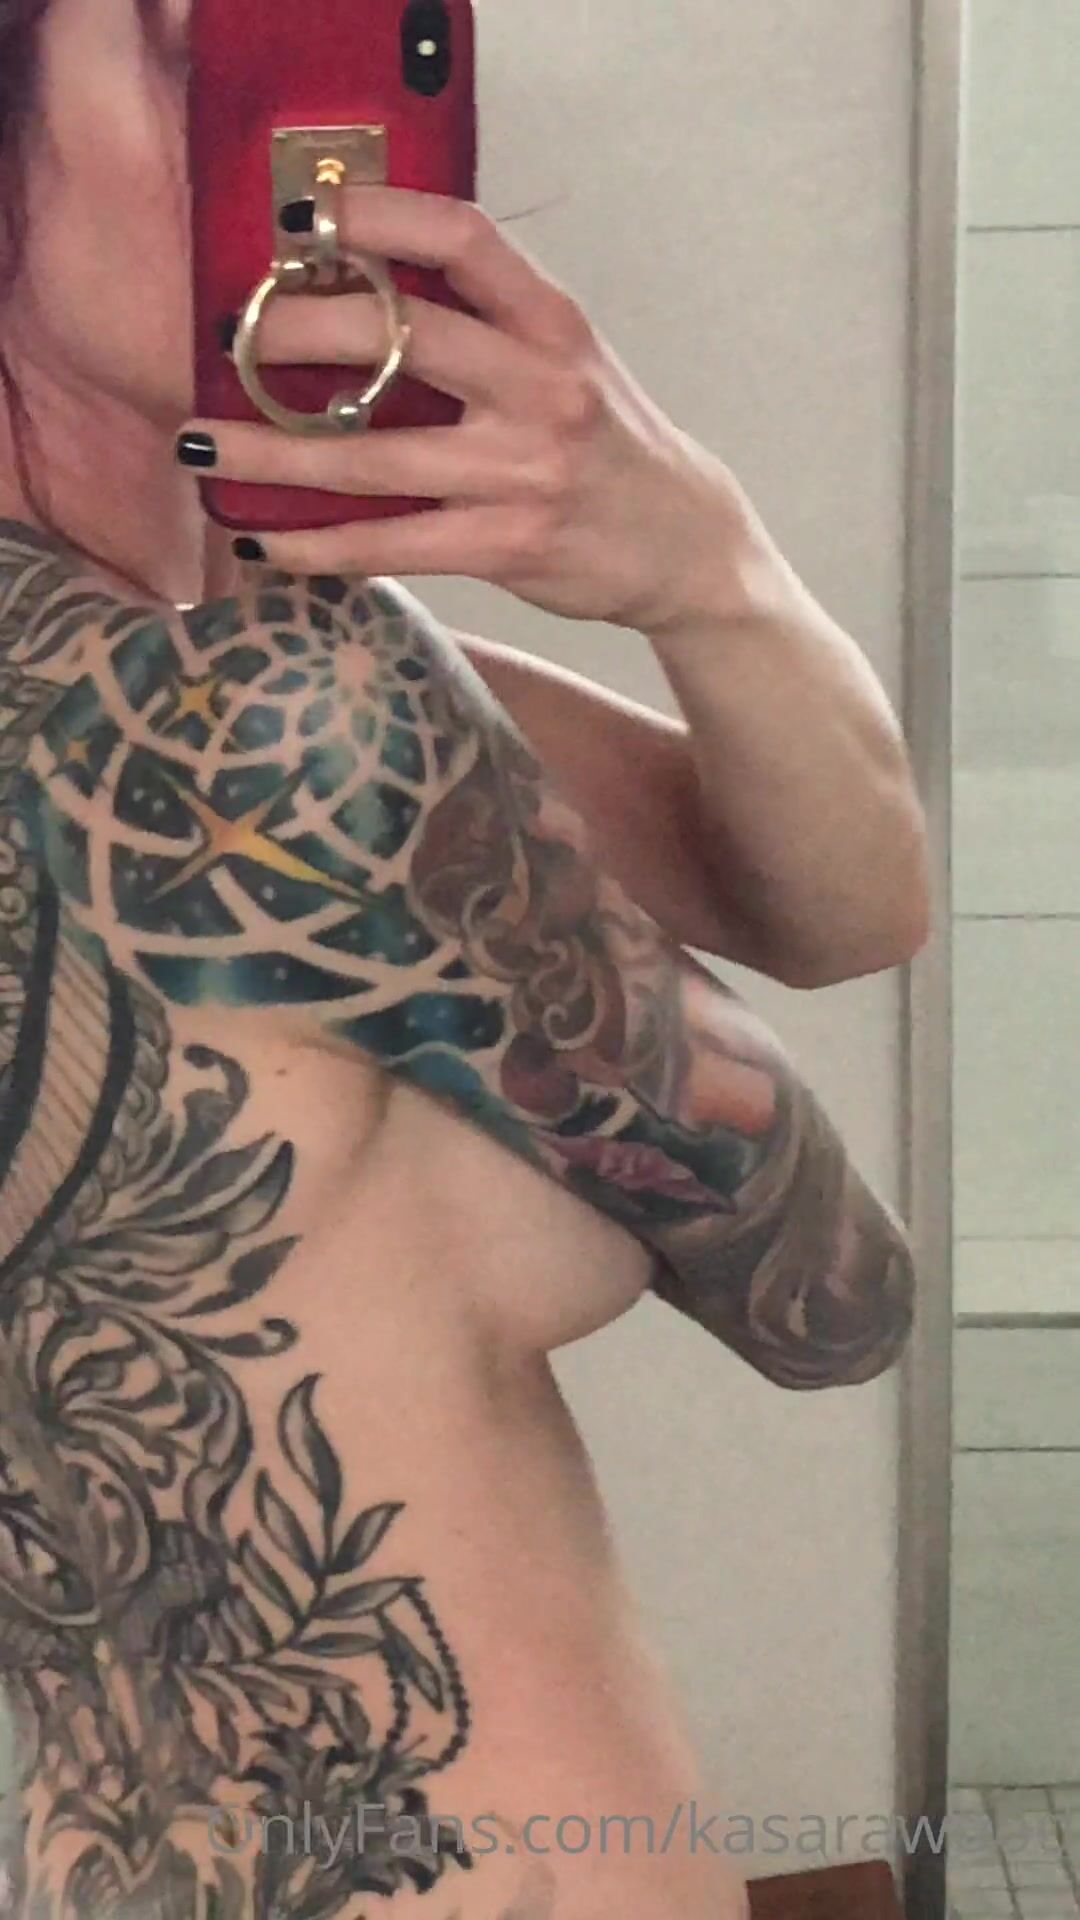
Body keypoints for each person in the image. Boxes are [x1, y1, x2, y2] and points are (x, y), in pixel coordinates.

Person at [0, 2, 929, 1915]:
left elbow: (847, 904)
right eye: (192, 40)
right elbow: (836, 1295)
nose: (310, 156)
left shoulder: (219, 673)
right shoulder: (283, 717)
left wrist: (708, 574)